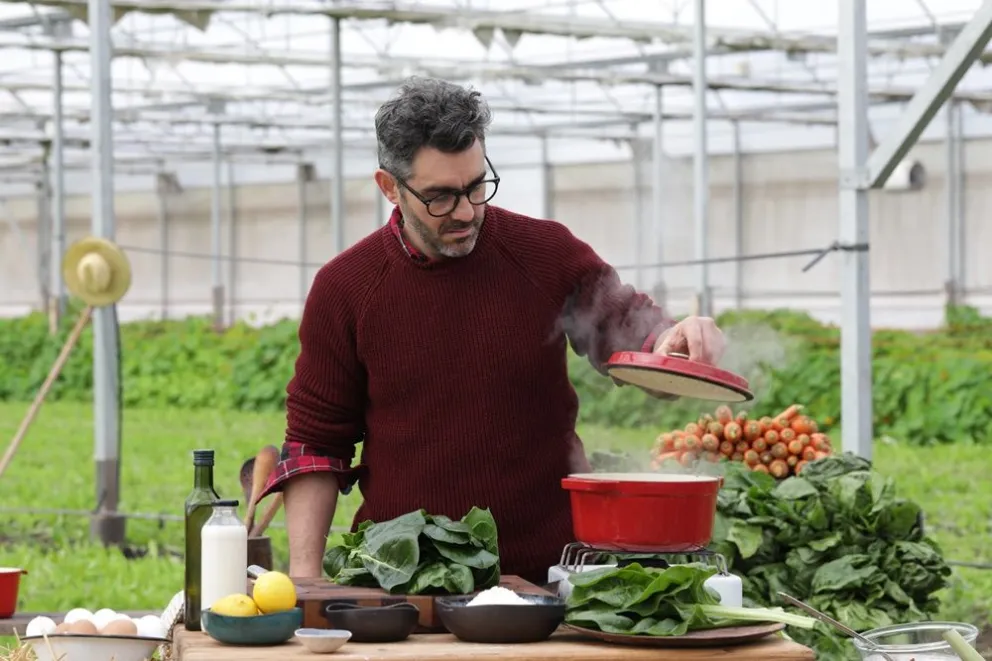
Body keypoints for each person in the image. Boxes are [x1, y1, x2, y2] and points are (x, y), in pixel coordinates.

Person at [258, 77, 726, 585]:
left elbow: (626, 331)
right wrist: (305, 579)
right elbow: (315, 444)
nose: (465, 211)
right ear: (390, 187)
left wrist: (671, 343)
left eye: (476, 186)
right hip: (406, 579)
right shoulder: (346, 288)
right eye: (439, 196)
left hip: (550, 574)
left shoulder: (545, 254)